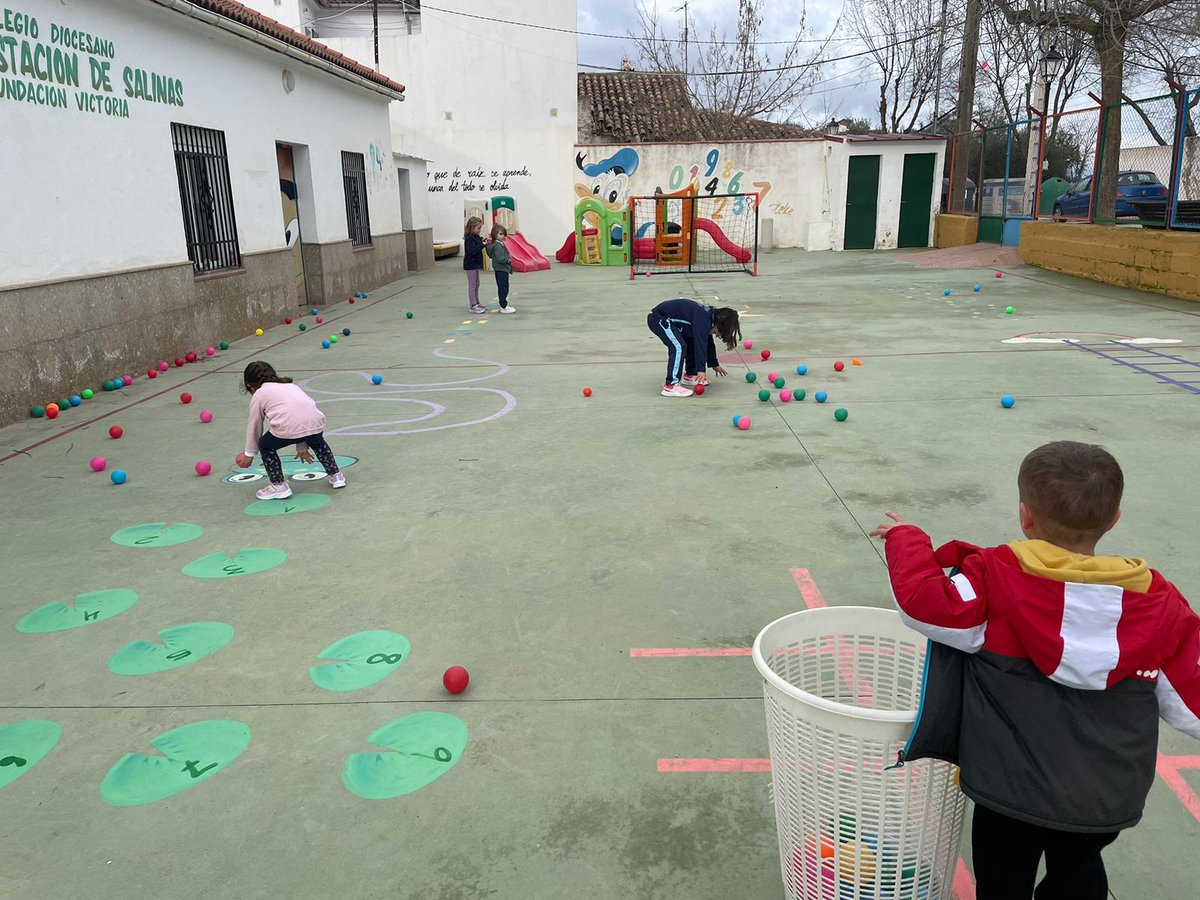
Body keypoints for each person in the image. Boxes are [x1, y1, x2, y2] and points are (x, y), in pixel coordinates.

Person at [871, 441, 1200, 900]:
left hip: (1009, 793)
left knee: (1003, 879)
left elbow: (925, 603)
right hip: (1105, 797)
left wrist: (906, 537)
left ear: (1025, 515)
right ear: (1115, 519)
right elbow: (1193, 704)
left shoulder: (994, 578)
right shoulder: (1162, 606)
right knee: (1078, 869)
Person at [235, 361, 346, 500]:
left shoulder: (259, 394)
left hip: (290, 428)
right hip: (315, 422)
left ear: (249, 386)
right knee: (318, 442)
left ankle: (278, 485)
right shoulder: (290, 385)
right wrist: (302, 446)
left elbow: (255, 425)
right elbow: (302, 415)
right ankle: (336, 475)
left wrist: (249, 453)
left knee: (265, 445)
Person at [646, 299, 740, 397]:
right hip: (659, 319)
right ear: (720, 324)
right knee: (678, 347)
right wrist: (701, 370)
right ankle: (671, 385)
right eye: (718, 332)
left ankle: (690, 375)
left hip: (668, 320)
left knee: (691, 340)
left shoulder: (708, 318)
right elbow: (701, 344)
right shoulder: (703, 319)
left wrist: (714, 364)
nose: (717, 335)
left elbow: (708, 342)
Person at [485, 224, 515, 314]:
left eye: (504, 234)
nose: (503, 236)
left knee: (504, 287)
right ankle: (503, 306)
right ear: (495, 235)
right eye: (500, 234)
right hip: (501, 269)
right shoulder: (498, 246)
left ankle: (504, 304)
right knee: (503, 288)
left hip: (501, 269)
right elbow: (500, 258)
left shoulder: (499, 244)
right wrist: (508, 260)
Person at [463, 216, 486, 314]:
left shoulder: (476, 237)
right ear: (472, 228)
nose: (479, 230)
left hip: (475, 264)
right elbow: (472, 251)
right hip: (470, 264)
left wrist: (483, 242)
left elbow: (478, 245)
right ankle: (473, 305)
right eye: (478, 228)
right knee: (472, 285)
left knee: (477, 284)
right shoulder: (469, 239)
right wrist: (482, 244)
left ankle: (476, 301)